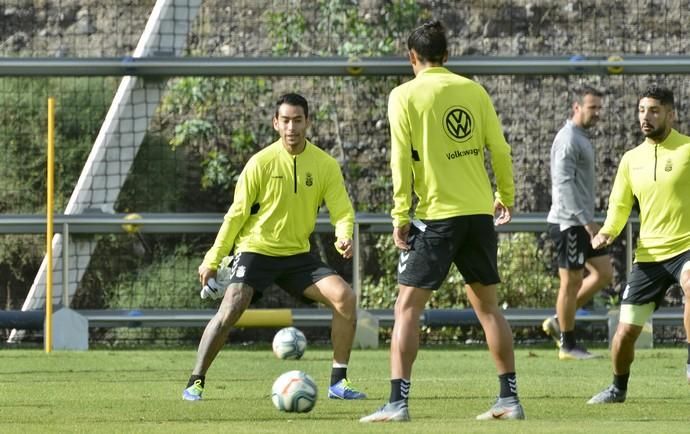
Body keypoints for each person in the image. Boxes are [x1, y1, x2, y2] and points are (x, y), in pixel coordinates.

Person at [360, 21, 524, 423]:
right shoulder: (474, 90)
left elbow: (400, 160)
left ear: (412, 58)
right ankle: (510, 400)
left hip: (437, 218)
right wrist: (505, 195)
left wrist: (400, 215)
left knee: (406, 309)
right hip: (478, 215)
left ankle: (397, 403)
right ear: (447, 56)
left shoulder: (403, 96)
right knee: (488, 309)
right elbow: (499, 150)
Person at [182, 93, 366, 402]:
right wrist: (213, 259)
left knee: (345, 298)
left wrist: (343, 235)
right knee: (230, 310)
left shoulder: (325, 165)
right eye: (285, 121)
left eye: (297, 120)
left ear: (308, 122)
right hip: (256, 250)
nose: (291, 127)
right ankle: (195, 381)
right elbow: (236, 215)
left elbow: (343, 211)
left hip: (298, 255)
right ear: (275, 124)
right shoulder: (260, 163)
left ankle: (338, 382)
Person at [588, 84, 690, 404]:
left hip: (686, 246)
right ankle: (618, 388)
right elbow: (619, 206)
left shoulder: (687, 149)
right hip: (648, 257)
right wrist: (607, 232)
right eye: (642, 110)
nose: (646, 117)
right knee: (625, 334)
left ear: (671, 115)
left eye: (654, 110)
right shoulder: (631, 159)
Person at [543, 86, 613, 360]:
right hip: (569, 223)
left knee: (604, 273)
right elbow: (563, 185)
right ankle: (568, 344)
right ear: (576, 107)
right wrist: (586, 222)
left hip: (582, 221)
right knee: (570, 282)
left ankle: (559, 321)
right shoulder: (568, 139)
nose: (597, 113)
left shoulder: (581, 137)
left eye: (598, 107)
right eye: (591, 107)